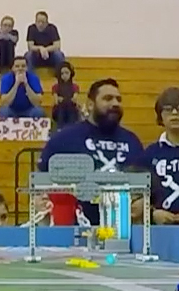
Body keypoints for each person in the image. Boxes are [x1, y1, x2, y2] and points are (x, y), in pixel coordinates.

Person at [38, 78, 143, 225]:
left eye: (118, 99)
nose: (115, 103)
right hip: (75, 230)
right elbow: (41, 180)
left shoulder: (133, 141)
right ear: (90, 104)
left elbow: (144, 185)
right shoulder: (63, 139)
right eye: (107, 98)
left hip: (122, 227)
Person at [133, 87, 179, 224]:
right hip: (160, 231)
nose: (175, 113)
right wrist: (152, 213)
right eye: (168, 109)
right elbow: (135, 199)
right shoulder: (149, 155)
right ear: (160, 116)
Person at [25, 10, 65, 75]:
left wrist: (45, 49)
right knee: (28, 55)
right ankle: (30, 76)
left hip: (50, 56)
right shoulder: (31, 28)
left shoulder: (52, 28)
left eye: (43, 22)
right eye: (38, 22)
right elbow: (30, 47)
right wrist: (40, 48)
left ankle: (60, 76)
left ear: (47, 22)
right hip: (36, 56)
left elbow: (57, 46)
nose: (40, 24)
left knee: (59, 55)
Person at [51, 61, 81, 130]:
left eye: (67, 73)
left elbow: (75, 98)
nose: (64, 75)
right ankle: (60, 128)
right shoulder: (56, 87)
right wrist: (58, 99)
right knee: (61, 108)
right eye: (62, 74)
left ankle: (72, 128)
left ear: (71, 73)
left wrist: (73, 99)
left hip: (71, 108)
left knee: (71, 108)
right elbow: (55, 101)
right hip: (59, 109)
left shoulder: (74, 86)